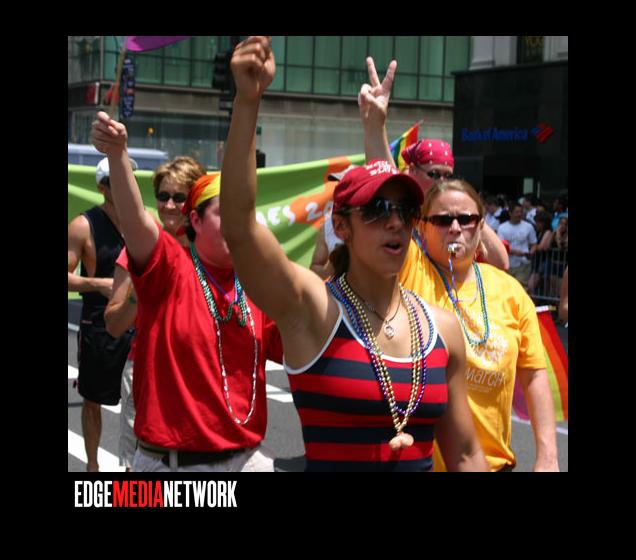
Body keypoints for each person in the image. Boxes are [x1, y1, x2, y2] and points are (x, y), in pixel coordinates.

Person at [219, 36, 487, 472]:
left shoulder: (442, 328)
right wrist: (247, 102)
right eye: (378, 210)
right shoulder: (314, 310)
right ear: (342, 227)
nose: (395, 222)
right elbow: (240, 229)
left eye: (404, 209)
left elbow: (466, 454)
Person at [359, 57, 559, 472]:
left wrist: (547, 457)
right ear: (420, 225)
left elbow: (535, 374)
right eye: (442, 219)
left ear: (481, 226)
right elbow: (389, 196)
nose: (455, 227)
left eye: (466, 219)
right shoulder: (410, 268)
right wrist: (375, 127)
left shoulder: (509, 291)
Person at [90, 111, 283, 473]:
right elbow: (135, 220)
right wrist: (118, 155)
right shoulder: (169, 264)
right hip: (175, 466)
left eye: (244, 214)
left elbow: (302, 347)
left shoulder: (258, 282)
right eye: (226, 213)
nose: (238, 224)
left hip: (247, 459)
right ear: (196, 220)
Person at [359, 56, 509, 272]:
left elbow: (501, 263)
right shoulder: (400, 210)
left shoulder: (459, 218)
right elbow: (384, 176)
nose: (442, 182)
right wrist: (375, 124)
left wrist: (468, 210)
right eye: (434, 174)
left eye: (448, 176)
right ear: (412, 171)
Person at [104, 156, 206, 471]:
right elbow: (113, 325)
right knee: (138, 470)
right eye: (163, 196)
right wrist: (141, 288)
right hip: (146, 373)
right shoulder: (138, 249)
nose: (170, 205)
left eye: (179, 197)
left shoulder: (212, 250)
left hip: (201, 373)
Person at [68, 157, 137, 471]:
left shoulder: (140, 222)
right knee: (93, 398)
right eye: (113, 179)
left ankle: (134, 467)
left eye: (126, 176)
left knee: (139, 399)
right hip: (98, 322)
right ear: (101, 186)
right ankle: (93, 466)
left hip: (136, 320)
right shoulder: (83, 225)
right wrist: (98, 284)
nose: (122, 183)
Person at [497, 202, 537, 287]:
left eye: (521, 212)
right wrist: (514, 252)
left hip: (523, 264)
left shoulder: (528, 226)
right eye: (517, 212)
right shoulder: (502, 228)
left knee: (520, 286)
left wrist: (531, 253)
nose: (519, 214)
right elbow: (500, 245)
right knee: (508, 287)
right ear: (510, 213)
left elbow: (533, 243)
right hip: (507, 264)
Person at [527, 210, 554, 295]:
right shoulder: (539, 232)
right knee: (535, 287)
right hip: (537, 261)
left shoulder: (548, 232)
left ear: (544, 223)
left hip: (543, 261)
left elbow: (543, 247)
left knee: (532, 285)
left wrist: (534, 247)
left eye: (538, 222)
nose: (536, 224)